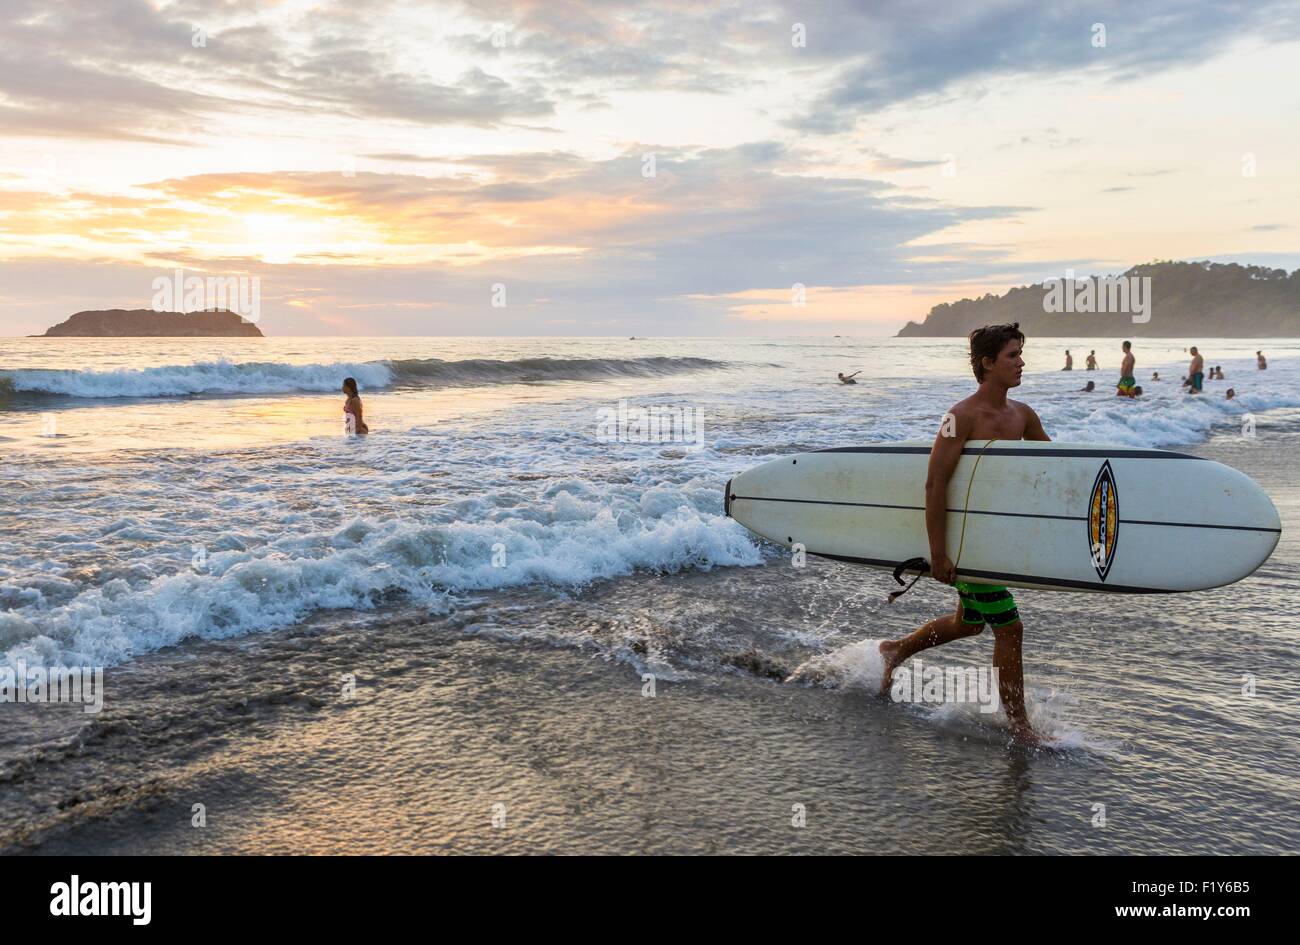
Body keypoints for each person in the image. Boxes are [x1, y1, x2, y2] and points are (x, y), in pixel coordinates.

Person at [878, 322, 1050, 747]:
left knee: (969, 623)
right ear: (987, 363)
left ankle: (895, 650)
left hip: (995, 539)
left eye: (1020, 354)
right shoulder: (960, 417)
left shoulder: (1023, 415)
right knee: (1009, 628)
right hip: (965, 541)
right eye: (1012, 355)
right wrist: (939, 553)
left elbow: (1053, 466)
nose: (1021, 362)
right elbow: (936, 484)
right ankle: (1020, 726)